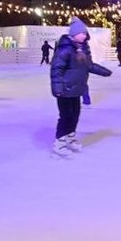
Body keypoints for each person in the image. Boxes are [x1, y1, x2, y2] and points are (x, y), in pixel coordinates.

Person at [50, 17, 112, 157]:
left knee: (75, 116)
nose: (84, 35)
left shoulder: (83, 49)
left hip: (76, 90)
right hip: (65, 91)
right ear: (74, 34)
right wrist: (57, 89)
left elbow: (89, 66)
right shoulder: (65, 49)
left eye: (85, 33)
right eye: (81, 33)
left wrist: (104, 72)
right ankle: (59, 143)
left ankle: (70, 138)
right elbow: (56, 70)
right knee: (66, 117)